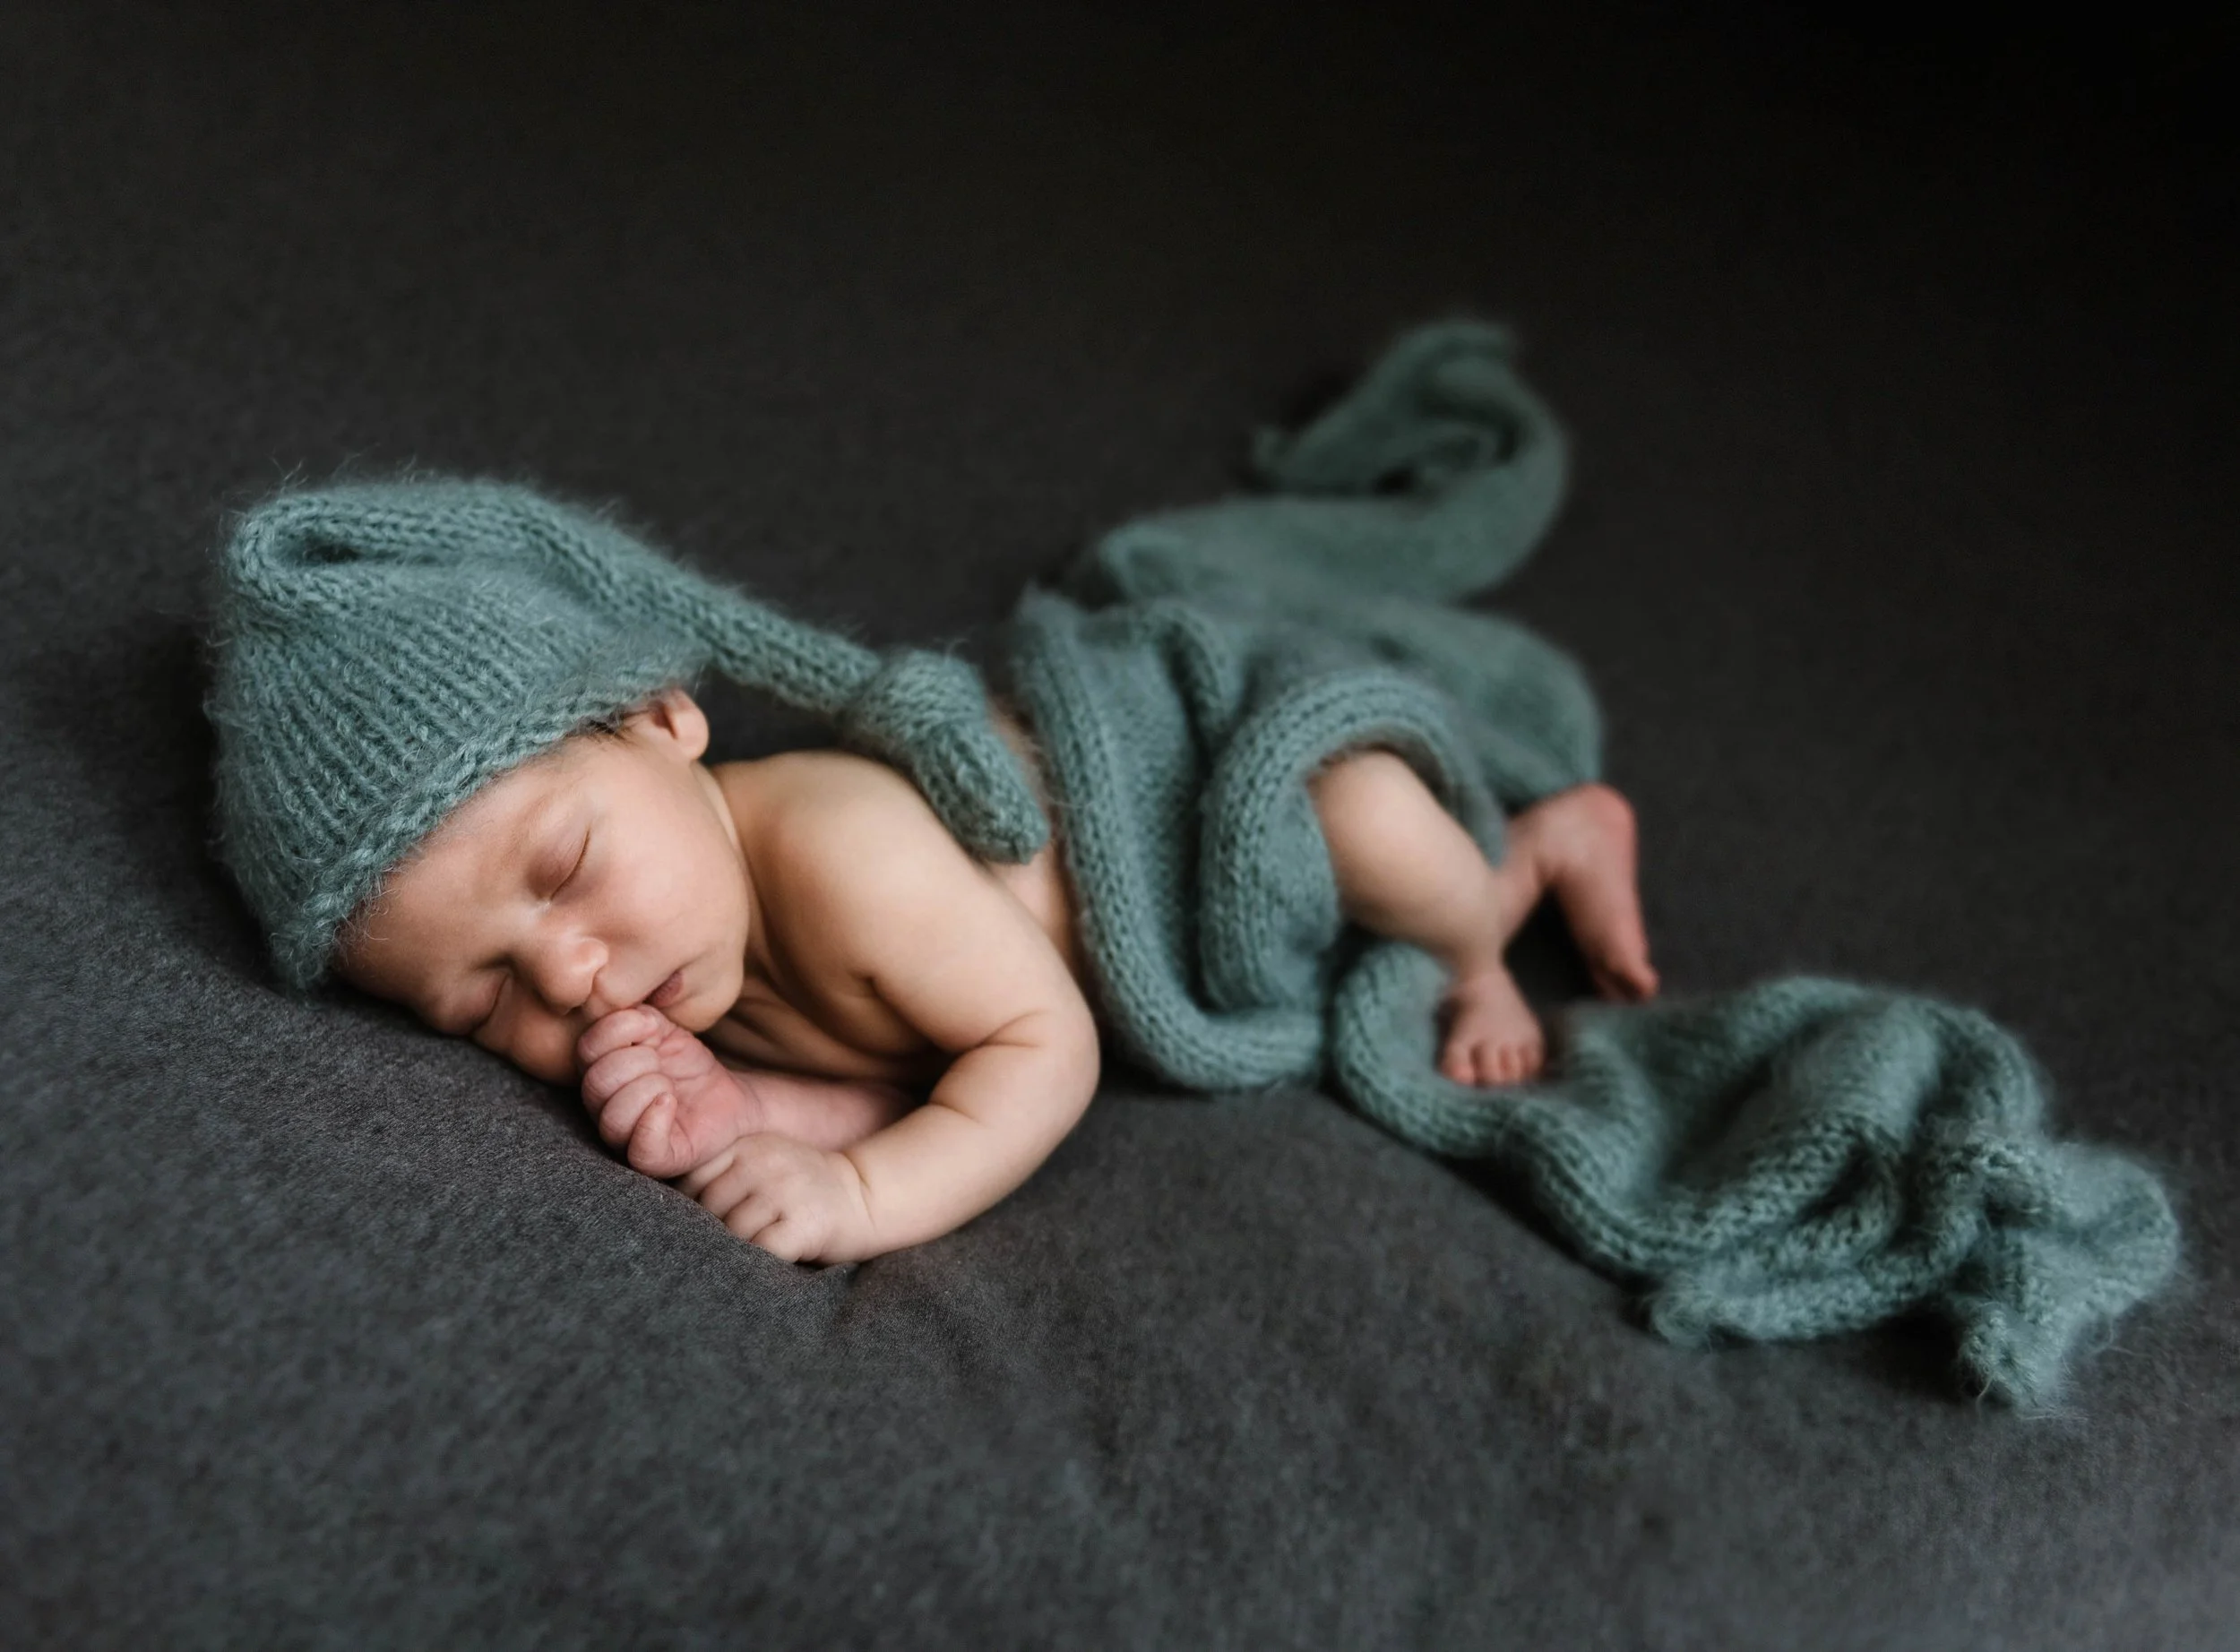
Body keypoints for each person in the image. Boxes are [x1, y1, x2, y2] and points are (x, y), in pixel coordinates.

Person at [327, 673, 1655, 1266]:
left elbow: (1039, 1047)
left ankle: (1495, 917)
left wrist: (861, 1193)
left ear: (667, 720)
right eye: (484, 999)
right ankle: (1541, 853)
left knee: (1370, 823)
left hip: (1215, 814)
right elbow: (901, 1070)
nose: (569, 976)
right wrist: (747, 1114)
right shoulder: (687, 951)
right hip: (1159, 920)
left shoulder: (842, 854)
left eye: (565, 864)